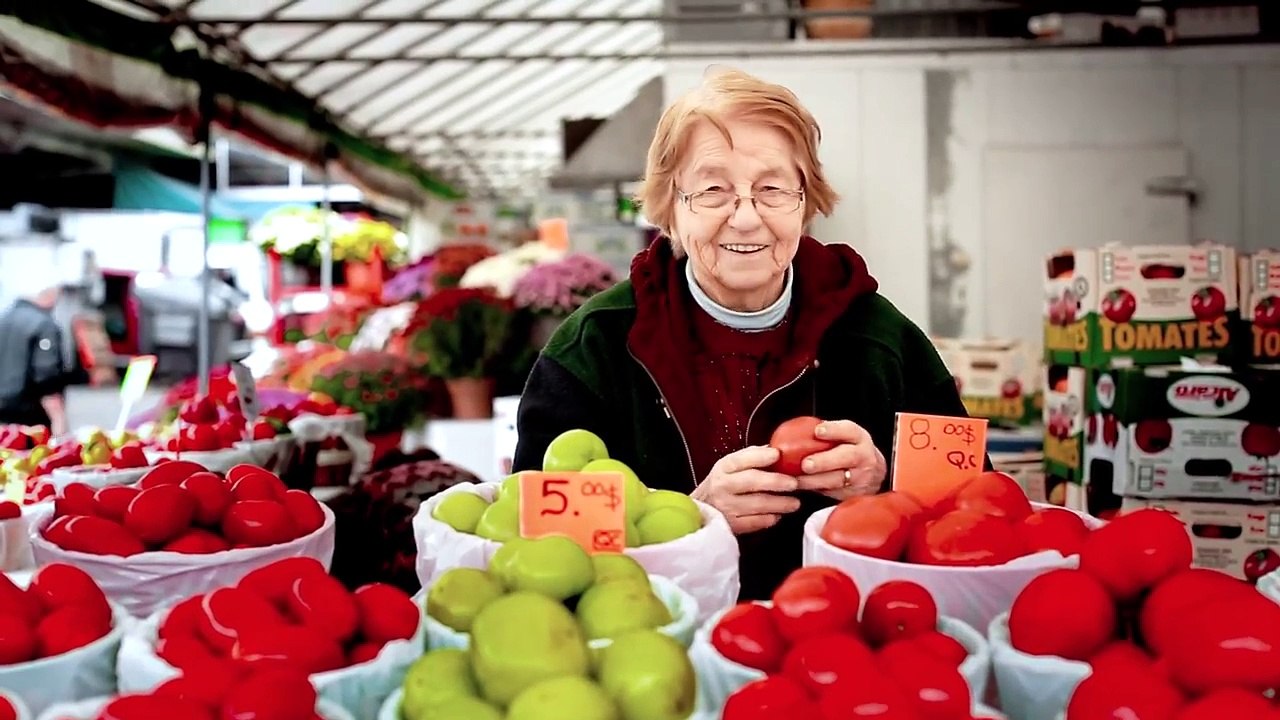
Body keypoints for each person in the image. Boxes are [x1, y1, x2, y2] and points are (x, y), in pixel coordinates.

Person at [512, 68, 979, 600]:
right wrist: (691, 519)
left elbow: (972, 511)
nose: (746, 218)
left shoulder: (883, 340)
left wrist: (886, 482)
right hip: (654, 643)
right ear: (671, 205)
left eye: (772, 189)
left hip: (840, 642)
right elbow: (544, 543)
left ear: (806, 201)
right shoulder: (592, 349)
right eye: (713, 191)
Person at [0, 283, 70, 436]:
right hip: (31, 418)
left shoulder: (4, 318)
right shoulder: (44, 324)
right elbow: (46, 374)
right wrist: (58, 420)